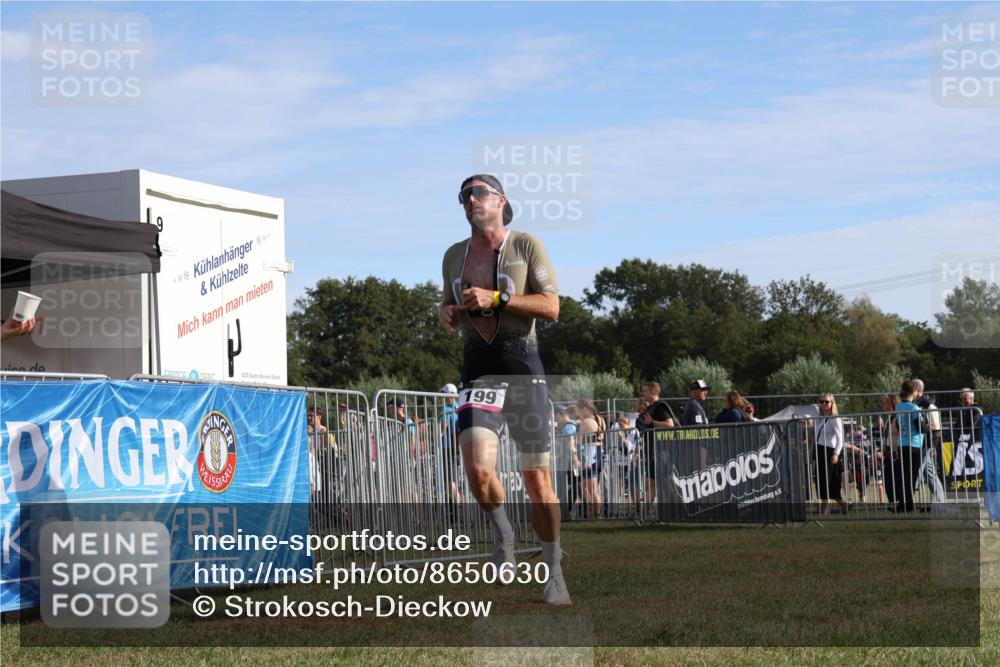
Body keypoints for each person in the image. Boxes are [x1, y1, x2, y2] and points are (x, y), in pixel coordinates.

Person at [437, 173, 568, 604]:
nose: (469, 200)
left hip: (524, 375)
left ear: (500, 201)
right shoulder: (453, 256)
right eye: (463, 196)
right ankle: (505, 534)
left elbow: (551, 306)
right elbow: (448, 303)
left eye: (477, 193)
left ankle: (553, 572)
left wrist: (498, 299)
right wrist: (448, 313)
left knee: (536, 480)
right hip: (479, 377)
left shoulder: (525, 244)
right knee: (477, 470)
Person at [634, 381, 676, 516]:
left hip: (662, 451)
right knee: (652, 484)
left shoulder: (659, 407)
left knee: (665, 484)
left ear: (653, 392)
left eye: (645, 391)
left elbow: (670, 425)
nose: (642, 393)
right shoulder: (651, 408)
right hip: (654, 451)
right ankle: (643, 516)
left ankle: (674, 512)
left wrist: (652, 423)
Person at [814, 393, 849, 518]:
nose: (823, 404)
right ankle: (843, 504)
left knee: (829, 480)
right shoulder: (820, 417)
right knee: (821, 479)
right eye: (821, 401)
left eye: (826, 402)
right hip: (819, 450)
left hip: (830, 451)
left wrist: (836, 454)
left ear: (832, 403)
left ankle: (825, 508)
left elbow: (840, 438)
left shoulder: (835, 418)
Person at [895, 380, 926, 513]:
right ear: (913, 392)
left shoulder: (898, 406)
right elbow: (920, 427)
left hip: (902, 444)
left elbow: (897, 425)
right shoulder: (914, 408)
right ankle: (909, 505)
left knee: (904, 475)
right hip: (914, 444)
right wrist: (927, 424)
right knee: (911, 476)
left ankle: (902, 503)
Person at [576, 399, 607, 519]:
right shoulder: (600, 419)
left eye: (579, 411)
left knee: (592, 488)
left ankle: (596, 515)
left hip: (590, 455)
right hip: (599, 453)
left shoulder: (586, 422)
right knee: (585, 486)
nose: (579, 414)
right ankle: (594, 512)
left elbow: (578, 440)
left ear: (584, 409)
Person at [555, 405, 582, 520]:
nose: (555, 419)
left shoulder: (567, 427)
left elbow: (571, 443)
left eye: (555, 416)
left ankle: (569, 512)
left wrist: (574, 458)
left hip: (570, 461)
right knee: (575, 487)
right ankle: (570, 511)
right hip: (571, 460)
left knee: (573, 487)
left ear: (559, 414)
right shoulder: (572, 425)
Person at [439, 384, 463, 508]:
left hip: (446, 447)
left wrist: (434, 439)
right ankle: (458, 504)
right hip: (458, 447)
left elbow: (442, 430)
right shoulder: (459, 408)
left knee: (449, 480)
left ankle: (458, 505)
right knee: (454, 478)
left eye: (443, 394)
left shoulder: (446, 410)